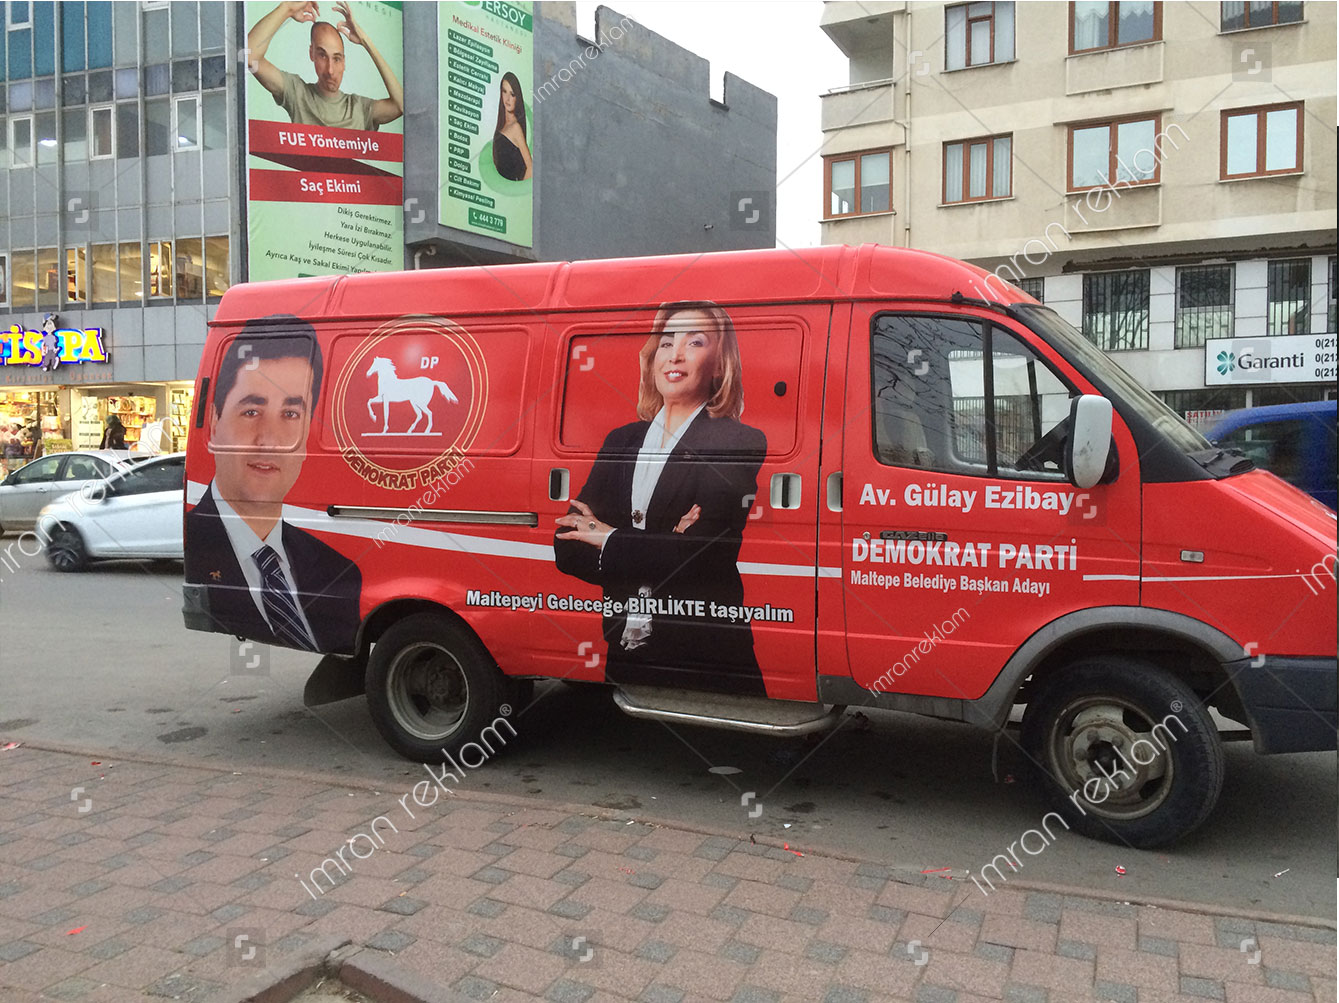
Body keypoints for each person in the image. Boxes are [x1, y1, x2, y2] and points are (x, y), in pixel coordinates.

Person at [554, 302, 768, 696]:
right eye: (667, 342)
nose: (676, 354)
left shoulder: (738, 440)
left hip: (705, 653)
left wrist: (606, 538)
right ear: (653, 359)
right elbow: (566, 546)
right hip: (625, 647)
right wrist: (667, 543)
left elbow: (702, 556)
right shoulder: (622, 440)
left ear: (719, 364)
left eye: (695, 342)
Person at [184, 317, 362, 653]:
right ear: (215, 423)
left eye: (291, 414)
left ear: (307, 433)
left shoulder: (338, 569)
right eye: (252, 412)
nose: (270, 441)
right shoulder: (201, 542)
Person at [246, 0, 403, 131]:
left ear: (344, 62)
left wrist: (365, 41)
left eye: (337, 59)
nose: (330, 70)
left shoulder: (359, 108)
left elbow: (401, 105)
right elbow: (250, 56)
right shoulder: (297, 93)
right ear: (311, 54)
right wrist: (286, 9)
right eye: (322, 55)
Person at [491, 72, 532, 181]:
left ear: (517, 97)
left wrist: (517, 188)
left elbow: (531, 168)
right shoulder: (501, 125)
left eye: (512, 94)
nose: (507, 99)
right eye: (504, 91)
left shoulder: (515, 128)